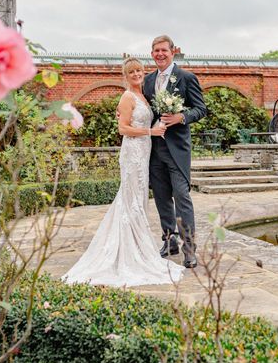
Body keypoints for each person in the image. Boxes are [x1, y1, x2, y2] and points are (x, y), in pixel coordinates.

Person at [63, 57, 184, 287]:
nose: (137, 74)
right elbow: (123, 128)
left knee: (138, 199)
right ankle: (128, 251)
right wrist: (151, 132)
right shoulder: (127, 96)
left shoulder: (145, 96)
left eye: (139, 70)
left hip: (144, 152)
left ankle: (137, 246)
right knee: (130, 200)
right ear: (126, 76)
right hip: (132, 154)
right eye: (132, 72)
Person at [143, 35, 207, 268]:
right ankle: (169, 240)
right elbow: (144, 109)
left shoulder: (186, 77)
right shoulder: (148, 81)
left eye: (164, 50)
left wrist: (181, 117)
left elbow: (201, 109)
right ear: (152, 54)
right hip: (154, 149)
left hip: (177, 149)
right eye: (155, 51)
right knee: (161, 197)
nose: (160, 54)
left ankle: (189, 248)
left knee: (181, 196)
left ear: (173, 52)